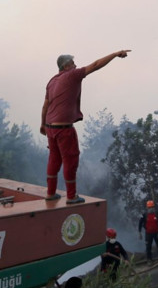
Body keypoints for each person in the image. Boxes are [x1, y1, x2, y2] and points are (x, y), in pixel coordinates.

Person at [40, 50, 131, 204]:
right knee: (70, 160)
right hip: (64, 129)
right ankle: (71, 196)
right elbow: (95, 65)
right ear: (66, 66)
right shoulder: (72, 75)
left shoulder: (52, 81)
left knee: (54, 159)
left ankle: (50, 193)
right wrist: (115, 54)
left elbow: (45, 106)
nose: (76, 66)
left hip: (50, 127)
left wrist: (42, 125)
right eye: (73, 63)